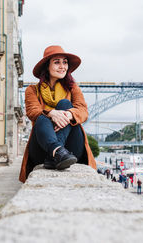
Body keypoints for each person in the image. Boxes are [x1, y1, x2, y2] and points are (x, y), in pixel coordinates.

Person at [19, 45, 97, 183]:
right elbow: (32, 111)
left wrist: (69, 114)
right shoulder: (32, 90)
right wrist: (51, 113)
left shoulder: (73, 89)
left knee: (65, 105)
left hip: (70, 150)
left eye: (65, 62)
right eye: (57, 62)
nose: (62, 66)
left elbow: (83, 112)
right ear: (46, 67)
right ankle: (56, 150)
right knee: (42, 117)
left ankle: (56, 153)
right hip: (41, 148)